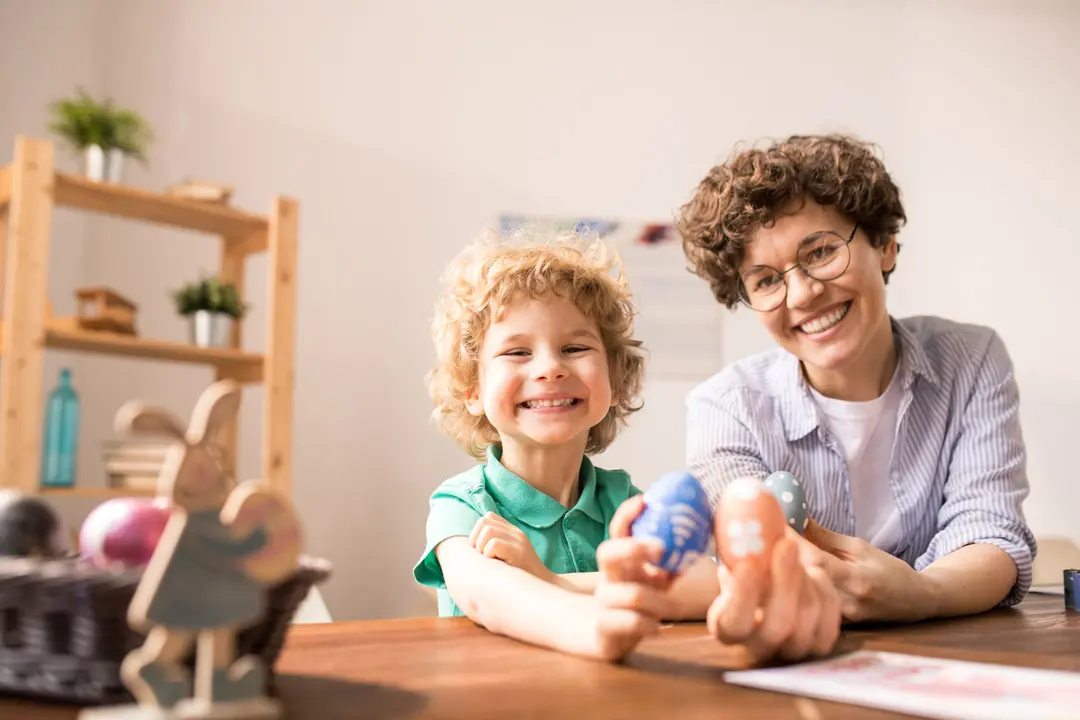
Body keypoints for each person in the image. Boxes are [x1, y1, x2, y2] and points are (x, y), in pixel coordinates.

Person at [412, 227, 841, 662]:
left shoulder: (625, 504)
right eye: (517, 352)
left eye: (574, 347)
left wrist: (551, 580)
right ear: (472, 389)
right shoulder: (461, 505)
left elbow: (709, 581)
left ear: (614, 381)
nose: (549, 368)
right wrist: (594, 620)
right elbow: (486, 593)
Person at [666, 133, 1037, 623]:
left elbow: (992, 532)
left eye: (820, 252)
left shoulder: (971, 360)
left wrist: (920, 594)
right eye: (767, 280)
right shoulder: (723, 407)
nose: (800, 294)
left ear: (884, 245)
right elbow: (761, 559)